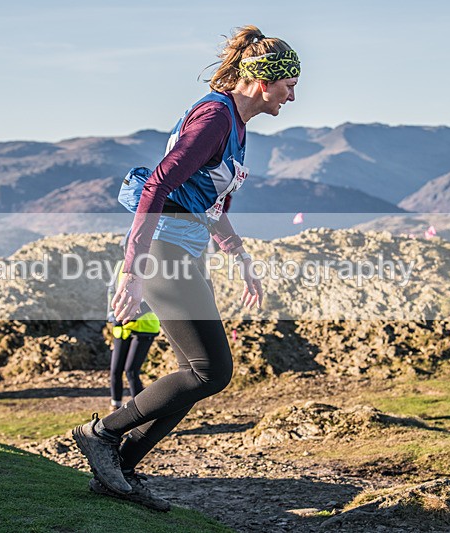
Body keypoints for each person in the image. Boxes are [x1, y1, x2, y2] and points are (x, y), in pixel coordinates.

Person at [72, 25, 299, 511]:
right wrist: (132, 270)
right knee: (208, 371)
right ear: (264, 81)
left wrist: (240, 257)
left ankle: (120, 473)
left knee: (199, 373)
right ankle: (102, 435)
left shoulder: (236, 124)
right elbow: (157, 185)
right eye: (289, 85)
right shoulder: (216, 117)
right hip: (164, 248)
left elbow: (208, 203)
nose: (293, 95)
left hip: (185, 247)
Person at [107, 256, 161, 411]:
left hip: (145, 327)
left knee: (131, 371)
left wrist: (131, 315)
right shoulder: (120, 265)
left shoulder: (153, 266)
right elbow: (111, 290)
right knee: (115, 371)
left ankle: (140, 412)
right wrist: (112, 315)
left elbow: (155, 299)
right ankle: (114, 409)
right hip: (122, 327)